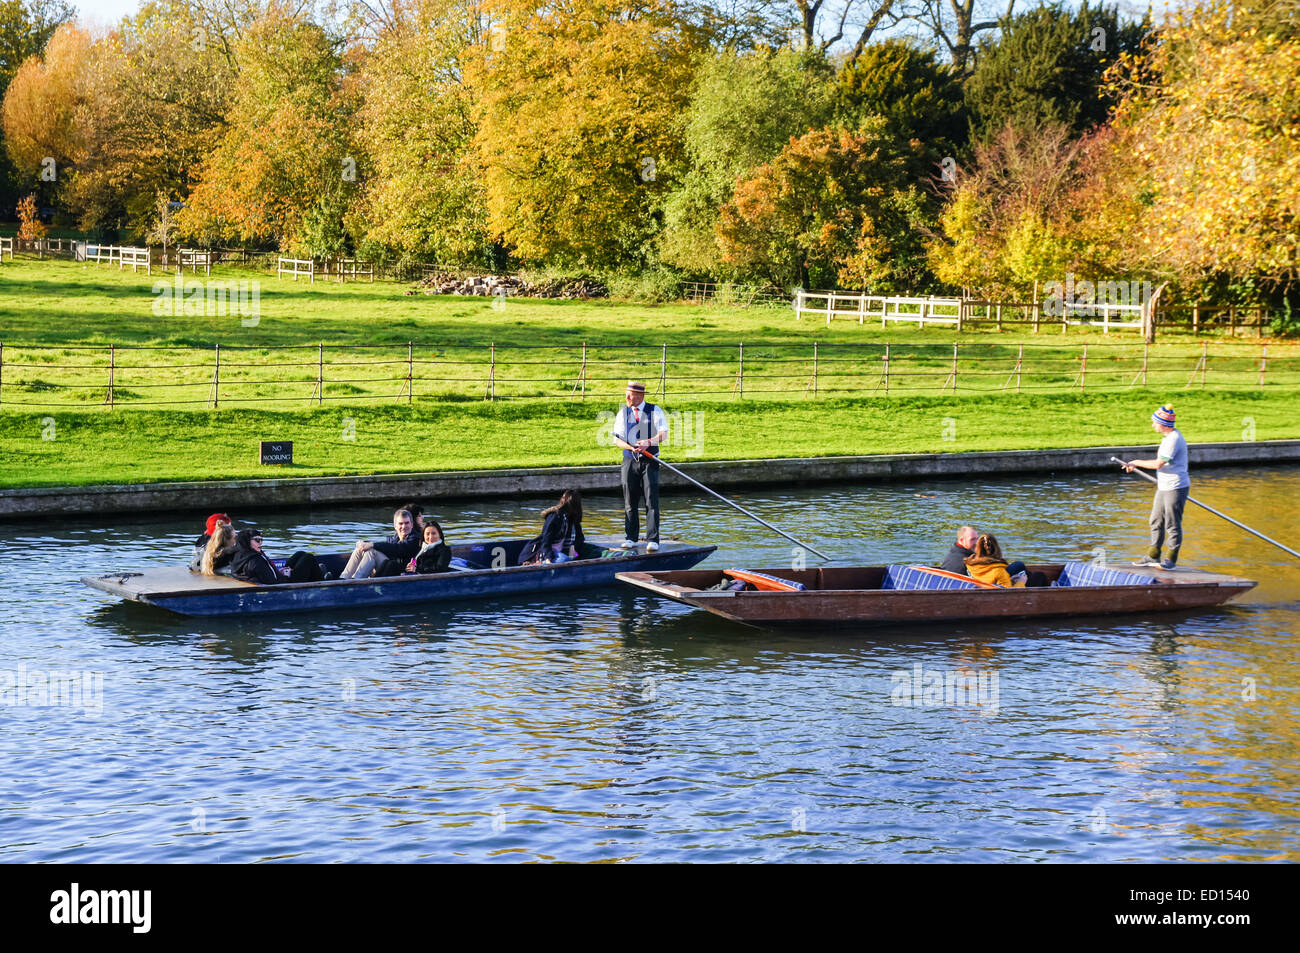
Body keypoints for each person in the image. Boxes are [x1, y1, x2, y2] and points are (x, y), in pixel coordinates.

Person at [1122, 404, 1189, 570]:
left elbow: (1159, 464)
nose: (1153, 425)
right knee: (1156, 519)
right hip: (1164, 486)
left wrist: (1136, 462)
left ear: (1163, 424)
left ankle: (1171, 559)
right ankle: (1153, 555)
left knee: (1172, 523)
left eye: (1155, 422)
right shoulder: (1167, 438)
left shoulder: (1173, 439)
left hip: (1175, 486)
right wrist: (1135, 464)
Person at [612, 380, 668, 553]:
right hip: (630, 461)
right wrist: (630, 447)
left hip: (650, 461)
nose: (627, 397)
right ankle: (631, 538)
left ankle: (653, 539)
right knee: (630, 500)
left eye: (631, 394)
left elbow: (663, 434)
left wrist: (648, 442)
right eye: (627, 393)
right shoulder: (623, 413)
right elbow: (617, 439)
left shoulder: (655, 410)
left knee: (651, 500)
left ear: (640, 395)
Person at [338, 508, 421, 579]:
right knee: (360, 550)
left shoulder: (415, 539)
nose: (404, 526)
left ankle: (356, 581)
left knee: (372, 552)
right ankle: (343, 579)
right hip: (388, 568)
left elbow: (398, 548)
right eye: (400, 523)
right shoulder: (394, 539)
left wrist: (372, 544)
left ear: (412, 525)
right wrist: (364, 544)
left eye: (407, 523)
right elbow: (388, 547)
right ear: (395, 526)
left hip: (399, 572)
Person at [229, 529, 324, 584]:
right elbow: (272, 583)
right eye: (257, 540)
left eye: (262, 539)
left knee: (300, 554)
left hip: (278, 578)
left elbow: (267, 574)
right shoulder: (256, 560)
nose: (261, 543)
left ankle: (315, 573)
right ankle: (322, 582)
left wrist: (280, 572)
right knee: (308, 558)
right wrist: (286, 576)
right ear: (246, 541)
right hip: (286, 586)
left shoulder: (239, 555)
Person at [519, 490, 586, 565]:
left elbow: (579, 539)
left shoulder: (573, 520)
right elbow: (546, 540)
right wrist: (548, 558)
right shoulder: (554, 516)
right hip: (548, 552)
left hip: (563, 551)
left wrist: (574, 555)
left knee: (572, 557)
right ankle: (535, 564)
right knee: (564, 560)